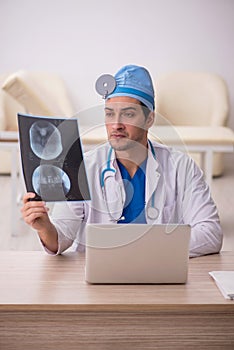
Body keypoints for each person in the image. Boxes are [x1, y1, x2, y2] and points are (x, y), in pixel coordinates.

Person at [21, 64, 223, 257]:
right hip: (98, 282)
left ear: (149, 119)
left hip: (158, 275)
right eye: (110, 114)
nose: (116, 124)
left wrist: (142, 251)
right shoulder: (84, 166)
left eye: (128, 114)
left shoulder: (181, 167)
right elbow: (61, 239)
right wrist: (45, 227)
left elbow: (211, 233)